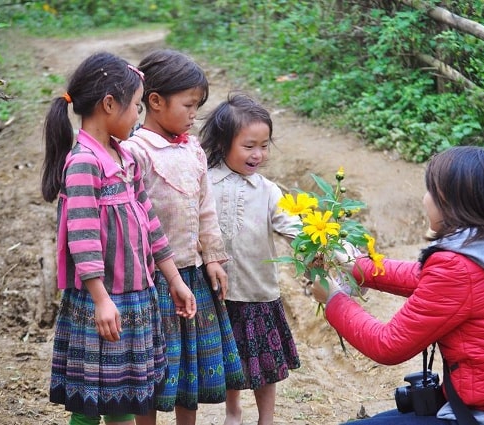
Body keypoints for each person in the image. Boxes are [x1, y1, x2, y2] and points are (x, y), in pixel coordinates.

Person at [312, 146, 484, 425]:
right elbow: (428, 278)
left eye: (430, 191)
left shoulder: (458, 267)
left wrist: (333, 299)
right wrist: (358, 266)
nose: (424, 199)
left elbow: (387, 345)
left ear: (450, 203)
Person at [41, 51, 196, 425]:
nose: (139, 117)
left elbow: (150, 222)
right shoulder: (83, 163)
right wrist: (101, 300)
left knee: (124, 395)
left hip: (135, 299)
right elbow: (82, 237)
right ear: (109, 104)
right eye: (137, 107)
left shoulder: (124, 158)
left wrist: (174, 279)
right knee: (89, 400)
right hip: (102, 303)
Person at [120, 49, 245, 425]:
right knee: (154, 367)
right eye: (189, 105)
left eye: (198, 106)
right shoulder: (134, 151)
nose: (194, 115)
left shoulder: (192, 149)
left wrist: (214, 257)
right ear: (154, 102)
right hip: (153, 279)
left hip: (192, 274)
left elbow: (205, 208)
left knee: (188, 365)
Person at [200, 93, 302, 425]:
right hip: (220, 291)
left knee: (266, 362)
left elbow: (292, 226)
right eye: (249, 146)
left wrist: (317, 247)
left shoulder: (269, 190)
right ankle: (233, 411)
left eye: (264, 145)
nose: (258, 154)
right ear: (223, 142)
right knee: (233, 359)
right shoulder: (206, 182)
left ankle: (266, 419)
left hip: (259, 290)